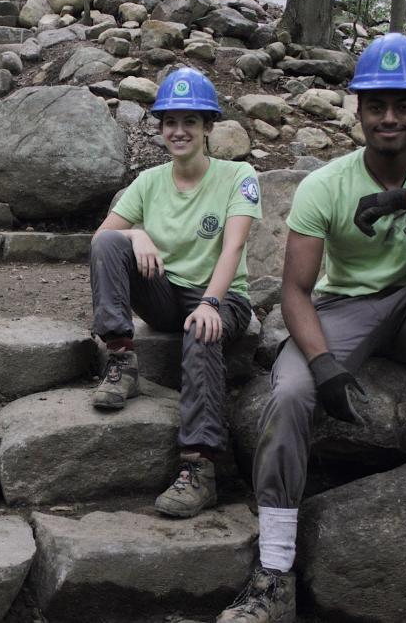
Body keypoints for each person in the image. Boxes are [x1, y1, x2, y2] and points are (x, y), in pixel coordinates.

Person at [217, 33, 406, 623]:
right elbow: (295, 291)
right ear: (357, 111)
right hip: (344, 308)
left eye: (403, 106)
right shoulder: (324, 184)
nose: (389, 118)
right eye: (376, 106)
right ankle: (274, 574)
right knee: (290, 394)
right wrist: (324, 364)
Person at [88, 67, 261, 519]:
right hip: (166, 295)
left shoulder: (238, 175)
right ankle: (121, 360)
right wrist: (137, 234)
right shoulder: (148, 182)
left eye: (190, 121)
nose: (178, 131)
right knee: (111, 241)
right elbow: (102, 237)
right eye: (170, 122)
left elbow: (234, 245)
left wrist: (211, 303)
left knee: (203, 331)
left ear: (208, 127)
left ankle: (199, 468)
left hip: (222, 297)